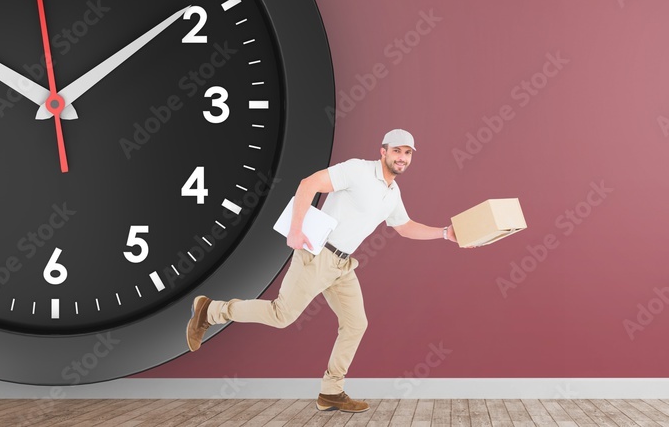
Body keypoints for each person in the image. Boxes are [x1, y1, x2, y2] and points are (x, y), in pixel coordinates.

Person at [185, 129, 463, 413]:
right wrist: (295, 229)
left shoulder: (393, 193)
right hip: (317, 254)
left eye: (407, 153)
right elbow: (309, 184)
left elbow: (404, 227)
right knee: (282, 316)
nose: (402, 158)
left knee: (356, 324)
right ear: (383, 151)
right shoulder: (357, 170)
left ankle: (331, 391)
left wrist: (444, 233)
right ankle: (210, 310)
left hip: (343, 265)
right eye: (397, 151)